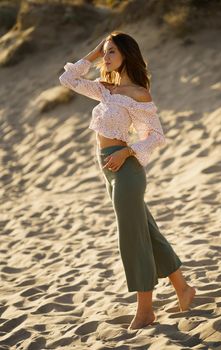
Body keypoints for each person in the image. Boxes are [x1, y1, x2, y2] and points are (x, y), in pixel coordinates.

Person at [59, 31, 196, 330]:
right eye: (106, 52)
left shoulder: (138, 94)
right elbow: (66, 80)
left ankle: (145, 310)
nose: (106, 58)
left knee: (132, 238)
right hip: (108, 170)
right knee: (147, 231)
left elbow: (156, 136)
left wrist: (127, 151)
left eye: (112, 53)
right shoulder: (105, 90)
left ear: (126, 56)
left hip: (127, 171)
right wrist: (94, 53)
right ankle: (183, 289)